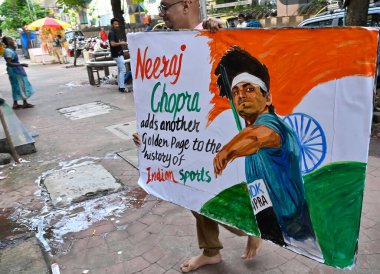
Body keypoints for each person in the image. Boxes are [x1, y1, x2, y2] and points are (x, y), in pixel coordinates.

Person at [134, 1, 260, 273]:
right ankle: (211, 251)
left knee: (217, 193)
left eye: (165, 6)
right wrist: (150, 134)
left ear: (187, 5)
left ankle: (251, 226)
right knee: (193, 195)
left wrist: (217, 27)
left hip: (217, 132)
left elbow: (238, 60)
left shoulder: (214, 33)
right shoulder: (165, 45)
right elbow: (166, 95)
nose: (162, 14)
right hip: (188, 137)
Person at [213, 47, 322, 258]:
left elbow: (257, 136)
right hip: (270, 223)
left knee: (310, 255)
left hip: (295, 229)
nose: (241, 95)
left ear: (268, 97)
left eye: (249, 89)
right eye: (235, 92)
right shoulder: (246, 131)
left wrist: (227, 151)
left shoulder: (272, 124)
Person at [2, 36, 34, 109]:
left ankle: (19, 103)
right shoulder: (8, 51)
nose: (12, 40)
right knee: (19, 85)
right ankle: (19, 103)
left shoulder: (10, 50)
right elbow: (9, 63)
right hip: (14, 71)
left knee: (19, 85)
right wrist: (21, 64)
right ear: (7, 42)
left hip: (16, 70)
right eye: (10, 40)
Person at [108, 18, 129, 93]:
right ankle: (122, 87)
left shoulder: (114, 32)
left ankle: (121, 86)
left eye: (117, 24)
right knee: (123, 70)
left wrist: (121, 42)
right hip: (117, 54)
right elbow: (112, 44)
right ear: (112, 25)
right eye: (115, 24)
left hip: (118, 53)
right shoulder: (112, 33)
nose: (117, 25)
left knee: (120, 70)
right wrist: (121, 43)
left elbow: (115, 42)